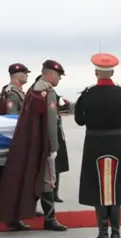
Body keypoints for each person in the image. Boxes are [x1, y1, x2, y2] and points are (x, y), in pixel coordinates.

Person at [0, 60, 68, 232]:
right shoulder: (47, 92)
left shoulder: (32, 90)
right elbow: (50, 122)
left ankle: (16, 217)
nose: (59, 79)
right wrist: (53, 147)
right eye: (58, 76)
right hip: (43, 145)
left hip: (29, 143)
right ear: (50, 74)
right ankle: (50, 219)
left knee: (26, 179)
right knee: (49, 181)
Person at [74, 53, 121, 238]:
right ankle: (116, 234)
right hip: (117, 141)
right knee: (116, 185)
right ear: (113, 72)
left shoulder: (88, 94)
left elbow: (79, 120)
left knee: (97, 186)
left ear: (96, 72)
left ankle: (102, 234)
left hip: (94, 142)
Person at [0, 63, 43, 231]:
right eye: (24, 73)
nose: (27, 76)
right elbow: (12, 118)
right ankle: (10, 212)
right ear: (16, 74)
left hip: (12, 139)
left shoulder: (16, 91)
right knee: (12, 177)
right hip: (12, 139)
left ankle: (0, 207)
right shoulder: (12, 93)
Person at [33, 75, 71, 203]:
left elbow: (66, 109)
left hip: (57, 133)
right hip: (47, 135)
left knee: (57, 165)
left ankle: (55, 193)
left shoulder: (55, 97)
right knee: (46, 168)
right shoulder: (40, 96)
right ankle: (46, 195)